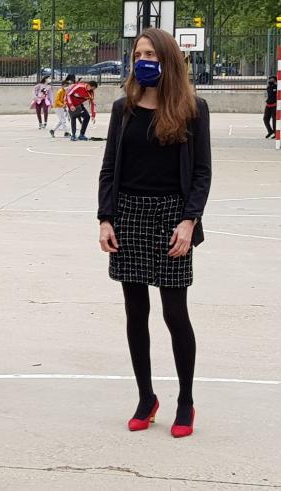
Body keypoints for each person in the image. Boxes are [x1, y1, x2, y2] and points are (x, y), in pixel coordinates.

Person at [98, 28, 211, 439]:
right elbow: (109, 167)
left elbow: (201, 172)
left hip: (170, 218)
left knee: (175, 313)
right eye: (137, 53)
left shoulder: (193, 108)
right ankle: (146, 397)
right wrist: (105, 218)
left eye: (150, 53)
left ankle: (185, 401)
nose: (142, 59)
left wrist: (189, 221)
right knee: (135, 313)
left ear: (168, 60)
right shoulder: (122, 108)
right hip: (127, 214)